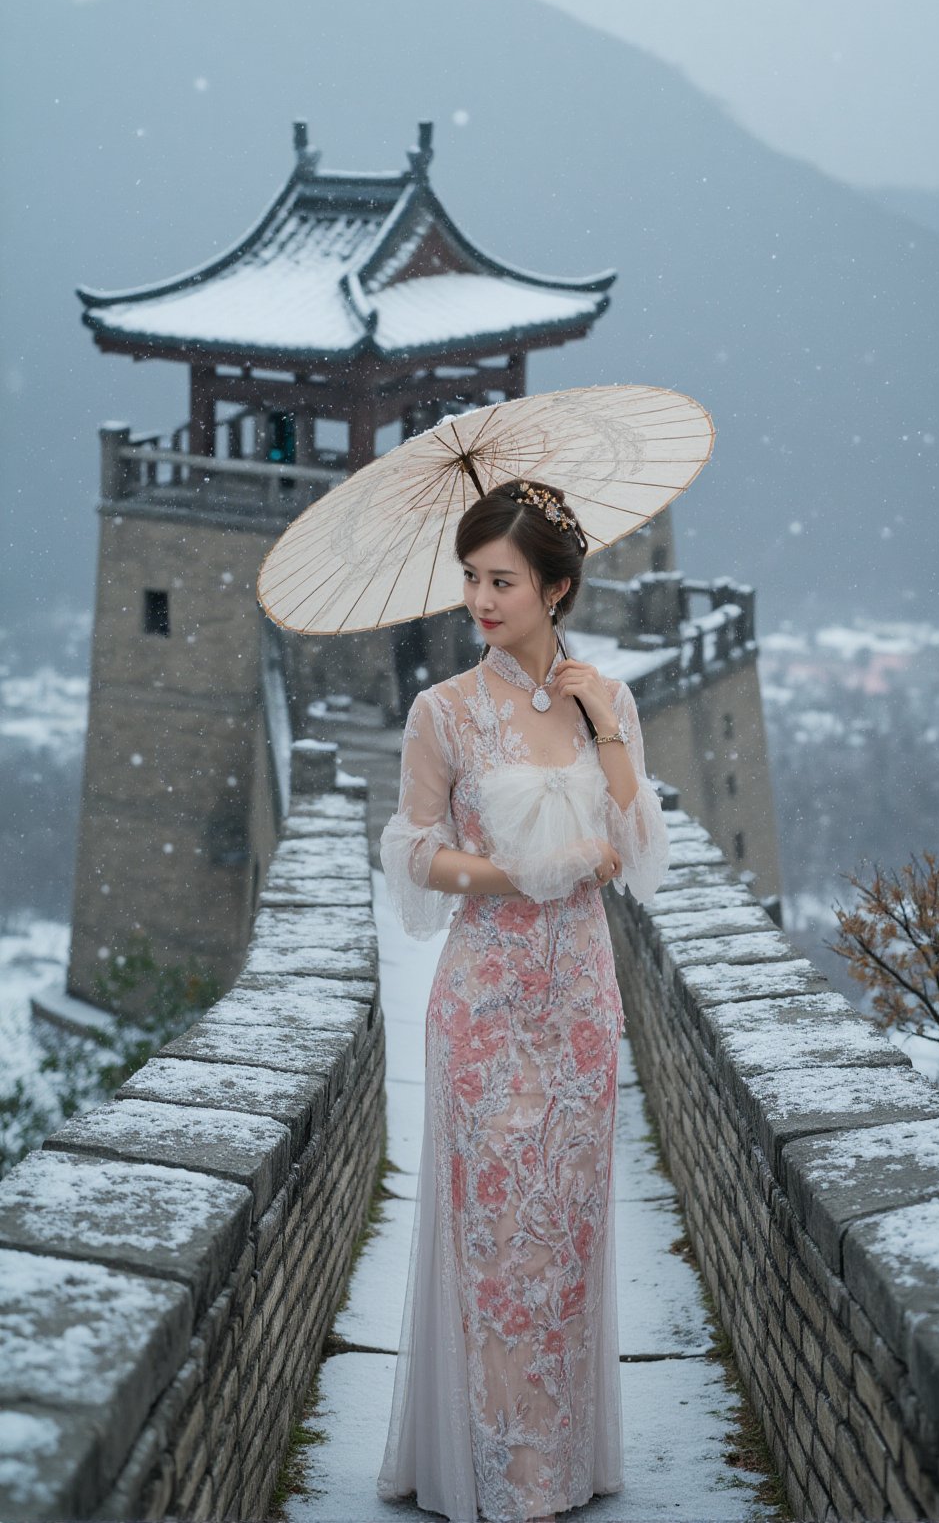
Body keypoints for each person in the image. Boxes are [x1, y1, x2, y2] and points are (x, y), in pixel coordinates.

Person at [375, 477, 670, 1523]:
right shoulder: (443, 711)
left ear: (557, 587)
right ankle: (504, 1472)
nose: (479, 598)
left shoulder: (608, 699)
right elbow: (411, 853)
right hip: (485, 1003)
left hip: (582, 1002)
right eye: (470, 577)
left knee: (566, 1230)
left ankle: (558, 1455)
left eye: (500, 579)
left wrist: (606, 730)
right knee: (498, 1236)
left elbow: (639, 853)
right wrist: (516, 875)